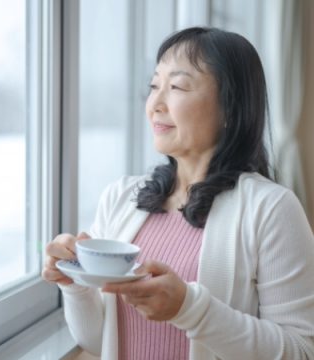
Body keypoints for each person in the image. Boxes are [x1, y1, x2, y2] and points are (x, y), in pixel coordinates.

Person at [42, 27, 314, 360]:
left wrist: (190, 309)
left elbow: (302, 351)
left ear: (230, 107)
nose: (155, 104)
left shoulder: (271, 209)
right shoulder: (122, 197)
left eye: (177, 87)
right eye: (154, 86)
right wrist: (75, 283)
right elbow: (103, 343)